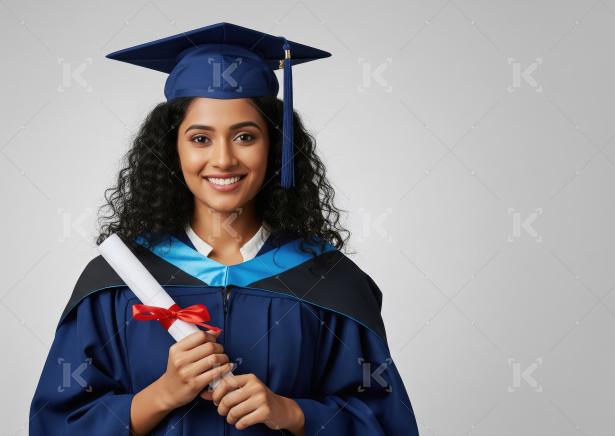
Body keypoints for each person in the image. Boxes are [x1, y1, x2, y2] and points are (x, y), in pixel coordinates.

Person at [28, 22, 419, 435]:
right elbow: (56, 423)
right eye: (200, 139)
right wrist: (160, 395)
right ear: (171, 149)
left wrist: (291, 413)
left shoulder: (328, 282)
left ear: (276, 146)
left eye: (245, 136)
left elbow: (386, 422)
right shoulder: (113, 285)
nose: (223, 159)